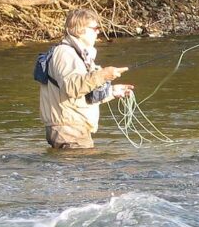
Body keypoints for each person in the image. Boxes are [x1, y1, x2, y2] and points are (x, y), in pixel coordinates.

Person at [39, 9, 134, 149]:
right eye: (95, 28)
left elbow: (82, 95)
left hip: (73, 129)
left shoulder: (78, 54)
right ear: (80, 29)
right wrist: (103, 75)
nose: (98, 32)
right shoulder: (65, 53)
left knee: (88, 169)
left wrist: (112, 92)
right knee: (87, 170)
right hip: (69, 131)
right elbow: (71, 87)